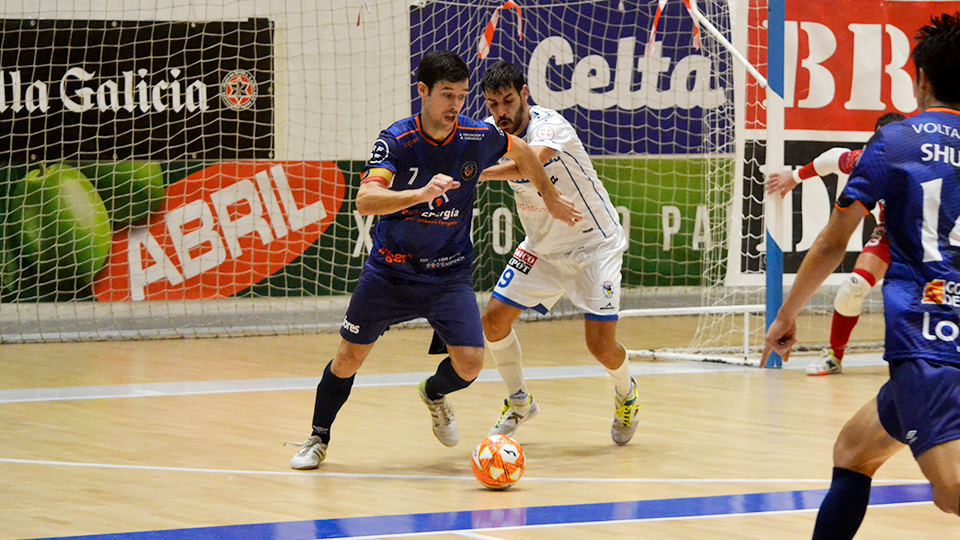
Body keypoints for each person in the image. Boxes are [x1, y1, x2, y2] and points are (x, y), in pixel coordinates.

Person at [288, 51, 582, 470]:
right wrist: (420, 194)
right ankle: (318, 438)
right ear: (422, 91)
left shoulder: (477, 135)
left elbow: (522, 150)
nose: (455, 106)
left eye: (462, 96)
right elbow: (366, 199)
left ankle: (433, 392)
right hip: (390, 272)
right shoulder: (397, 140)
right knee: (348, 357)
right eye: (447, 95)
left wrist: (551, 198)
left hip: (448, 275)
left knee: (471, 363)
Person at [762, 13, 960, 538]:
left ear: (919, 78)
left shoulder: (894, 142)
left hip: (932, 337)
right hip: (939, 340)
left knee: (952, 493)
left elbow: (830, 243)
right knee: (854, 450)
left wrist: (785, 315)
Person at [476, 61, 638, 445]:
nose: (501, 112)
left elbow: (530, 162)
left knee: (600, 346)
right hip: (542, 249)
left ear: (525, 95)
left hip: (592, 246)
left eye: (508, 101)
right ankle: (519, 402)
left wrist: (474, 173)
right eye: (493, 104)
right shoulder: (489, 131)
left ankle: (626, 392)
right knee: (493, 321)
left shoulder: (551, 126)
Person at [766, 112, 906, 376]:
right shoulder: (867, 159)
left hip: (933, 240)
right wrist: (794, 176)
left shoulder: (925, 157)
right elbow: (832, 159)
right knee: (851, 289)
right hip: (890, 235)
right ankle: (834, 355)